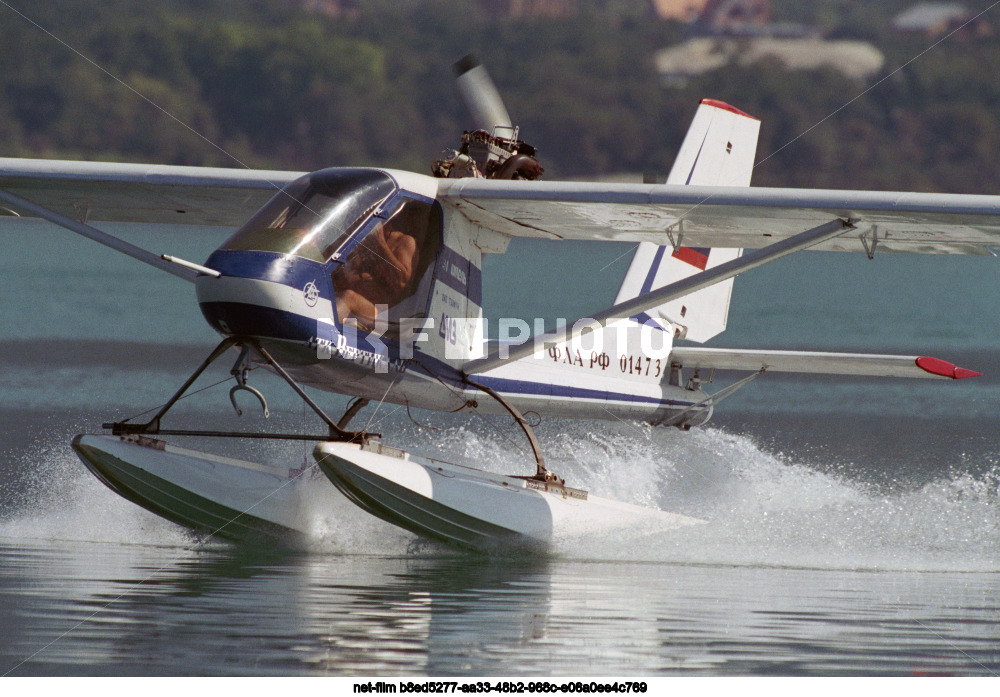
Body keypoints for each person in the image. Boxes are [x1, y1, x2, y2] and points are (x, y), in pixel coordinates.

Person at [333, 217, 419, 329]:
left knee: (348, 297)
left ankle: (323, 331)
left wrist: (380, 243)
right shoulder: (362, 239)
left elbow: (401, 281)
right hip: (344, 296)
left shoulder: (404, 242)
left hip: (379, 313)